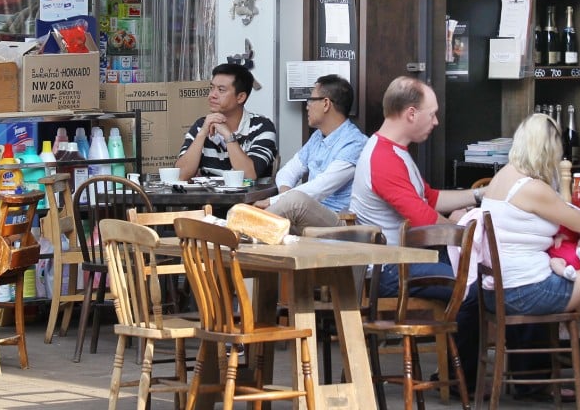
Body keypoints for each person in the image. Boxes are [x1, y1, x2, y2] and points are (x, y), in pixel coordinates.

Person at [476, 113, 580, 410]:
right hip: (529, 291)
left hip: (498, 291)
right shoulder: (532, 187)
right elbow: (577, 220)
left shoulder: (503, 176)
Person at [350, 76, 480, 296]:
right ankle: (456, 330)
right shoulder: (383, 159)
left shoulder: (393, 151)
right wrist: (460, 227)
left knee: (478, 271)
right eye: (432, 114)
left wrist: (479, 194)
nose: (436, 121)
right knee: (476, 286)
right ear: (411, 114)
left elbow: (430, 198)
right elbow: (425, 221)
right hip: (388, 270)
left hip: (400, 261)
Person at [253, 75, 368, 233]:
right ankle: (236, 234)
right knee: (288, 206)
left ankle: (238, 236)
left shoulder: (355, 143)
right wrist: (284, 195)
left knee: (295, 202)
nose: (307, 106)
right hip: (309, 219)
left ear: (326, 103)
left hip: (340, 224)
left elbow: (320, 188)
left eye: (311, 100)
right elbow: (288, 171)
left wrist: (276, 201)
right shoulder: (318, 136)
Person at [176, 63, 277, 181]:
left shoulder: (261, 127)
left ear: (240, 97)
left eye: (221, 90)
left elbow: (249, 175)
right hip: (209, 198)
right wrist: (202, 134)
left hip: (249, 199)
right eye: (211, 88)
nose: (212, 95)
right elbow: (180, 176)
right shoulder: (202, 125)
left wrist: (228, 135)